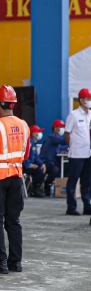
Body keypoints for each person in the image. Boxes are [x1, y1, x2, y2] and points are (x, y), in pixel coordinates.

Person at [0, 85, 30, 274]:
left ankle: (0, 261)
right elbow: (25, 154)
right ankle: (15, 262)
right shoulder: (24, 125)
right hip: (17, 177)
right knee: (14, 220)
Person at [64, 88, 91, 216]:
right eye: (87, 99)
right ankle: (71, 207)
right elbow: (67, 133)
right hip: (76, 154)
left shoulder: (90, 115)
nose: (89, 101)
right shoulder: (73, 115)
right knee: (73, 181)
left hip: (88, 153)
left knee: (86, 182)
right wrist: (71, 145)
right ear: (81, 100)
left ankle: (87, 205)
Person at [39, 120, 68, 197]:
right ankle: (47, 185)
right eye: (60, 127)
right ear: (55, 128)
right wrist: (70, 136)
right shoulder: (52, 137)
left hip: (51, 162)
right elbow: (63, 141)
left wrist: (66, 149)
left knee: (60, 168)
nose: (62, 129)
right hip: (45, 161)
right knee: (55, 169)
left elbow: (62, 147)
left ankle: (51, 185)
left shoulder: (57, 140)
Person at [23, 125, 46, 198]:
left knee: (41, 169)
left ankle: (38, 188)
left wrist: (42, 164)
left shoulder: (34, 144)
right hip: (25, 166)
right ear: (33, 133)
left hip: (31, 164)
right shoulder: (28, 143)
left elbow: (36, 158)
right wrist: (29, 165)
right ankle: (35, 190)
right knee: (38, 170)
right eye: (38, 132)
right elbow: (23, 155)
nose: (40, 134)